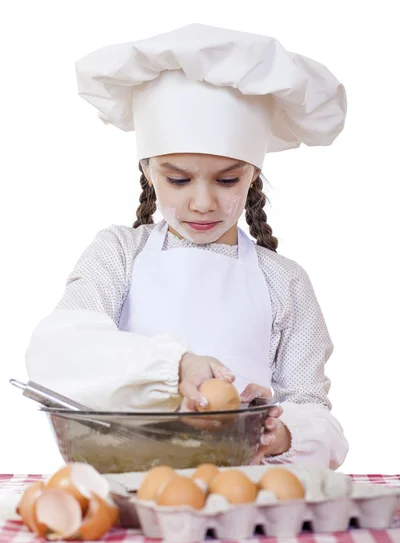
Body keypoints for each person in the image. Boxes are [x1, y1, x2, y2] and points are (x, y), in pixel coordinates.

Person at [25, 23, 349, 469]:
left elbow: (316, 411)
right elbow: (56, 349)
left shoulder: (284, 281)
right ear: (148, 169)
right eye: (178, 179)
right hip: (131, 480)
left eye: (227, 179)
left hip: (240, 493)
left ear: (254, 173)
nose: (202, 202)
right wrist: (175, 366)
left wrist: (283, 431)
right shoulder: (119, 254)